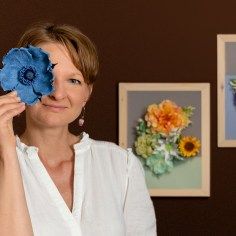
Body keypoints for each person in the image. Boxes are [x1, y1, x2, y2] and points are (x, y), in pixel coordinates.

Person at [0, 23, 156, 236]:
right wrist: (7, 153)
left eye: (73, 80)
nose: (58, 94)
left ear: (87, 94)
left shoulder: (122, 166)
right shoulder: (4, 162)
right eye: (47, 77)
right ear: (20, 82)